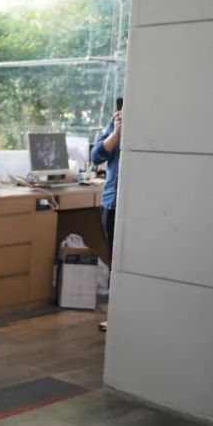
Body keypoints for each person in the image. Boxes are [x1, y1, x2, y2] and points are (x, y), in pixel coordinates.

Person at [91, 98, 123, 333]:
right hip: (112, 202)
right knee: (116, 262)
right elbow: (96, 156)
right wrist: (117, 133)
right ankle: (116, 316)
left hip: (136, 205)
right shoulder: (116, 122)